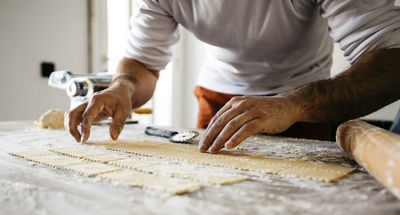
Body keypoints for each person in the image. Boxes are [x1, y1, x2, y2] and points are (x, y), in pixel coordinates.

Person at [67, 0, 400, 153]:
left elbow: (392, 59)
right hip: (217, 101)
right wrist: (123, 86)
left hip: (305, 104)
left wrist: (292, 104)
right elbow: (142, 61)